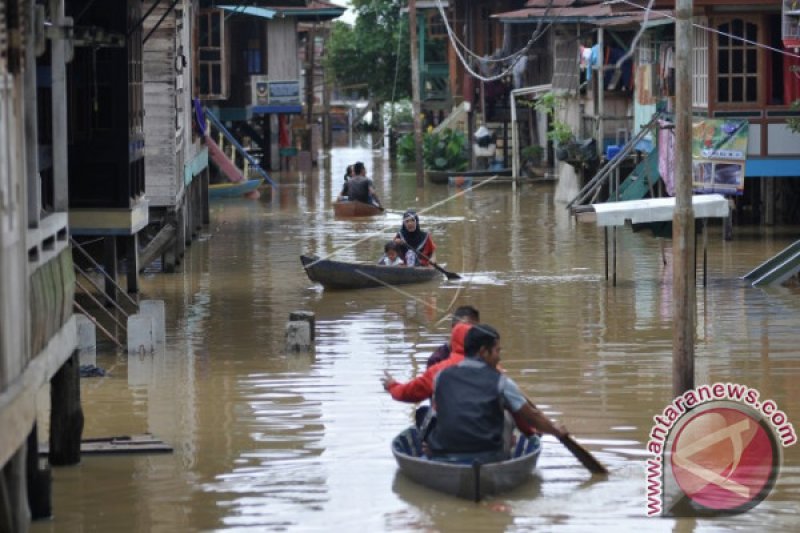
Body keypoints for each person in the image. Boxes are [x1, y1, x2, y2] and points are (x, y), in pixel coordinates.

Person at [426, 324, 568, 463]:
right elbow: (532, 418)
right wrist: (555, 430)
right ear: (483, 351)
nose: (499, 358)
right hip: (489, 457)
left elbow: (435, 415)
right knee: (507, 415)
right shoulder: (501, 382)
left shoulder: (440, 377)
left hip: (442, 454)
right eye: (497, 351)